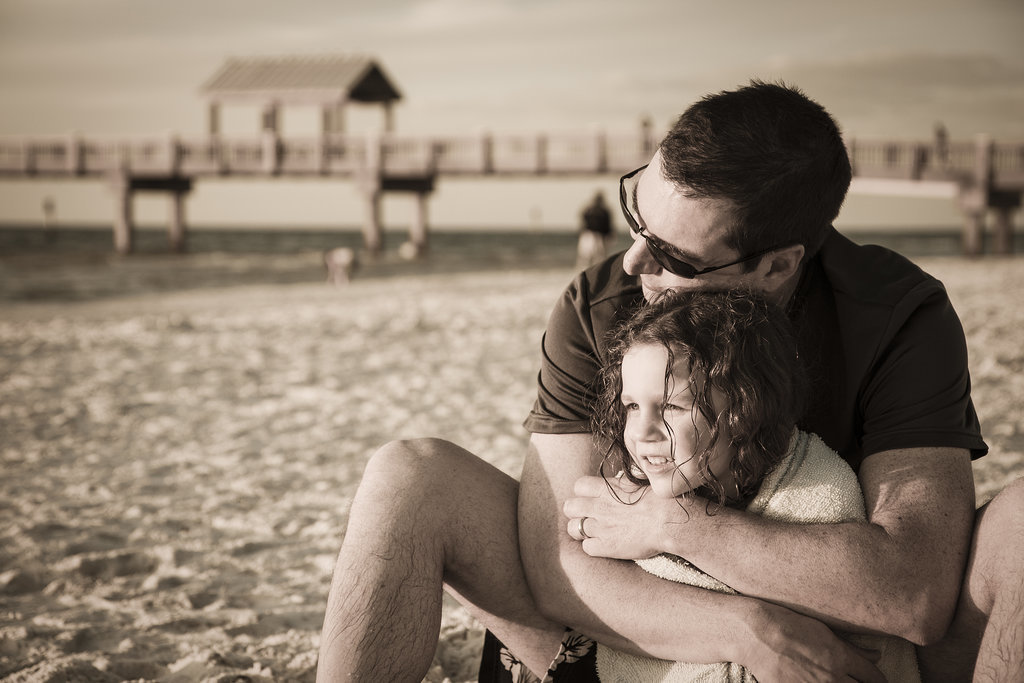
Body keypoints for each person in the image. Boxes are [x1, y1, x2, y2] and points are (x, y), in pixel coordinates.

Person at [317, 81, 1024, 682]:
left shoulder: (896, 314)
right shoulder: (599, 303)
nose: (632, 264)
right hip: (639, 636)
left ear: (778, 266)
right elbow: (554, 560)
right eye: (636, 215)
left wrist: (668, 521)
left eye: (670, 254)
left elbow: (915, 590)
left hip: (856, 659)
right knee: (407, 475)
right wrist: (747, 629)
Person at [583, 287, 919, 682]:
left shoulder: (812, 492)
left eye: (672, 406)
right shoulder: (628, 497)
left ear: (745, 409)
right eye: (631, 406)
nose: (642, 431)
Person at [576, 191, 613, 270]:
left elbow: (583, 222)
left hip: (592, 235)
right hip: (594, 235)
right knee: (596, 258)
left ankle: (587, 273)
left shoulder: (590, 210)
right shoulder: (602, 211)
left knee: (590, 258)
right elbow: (608, 226)